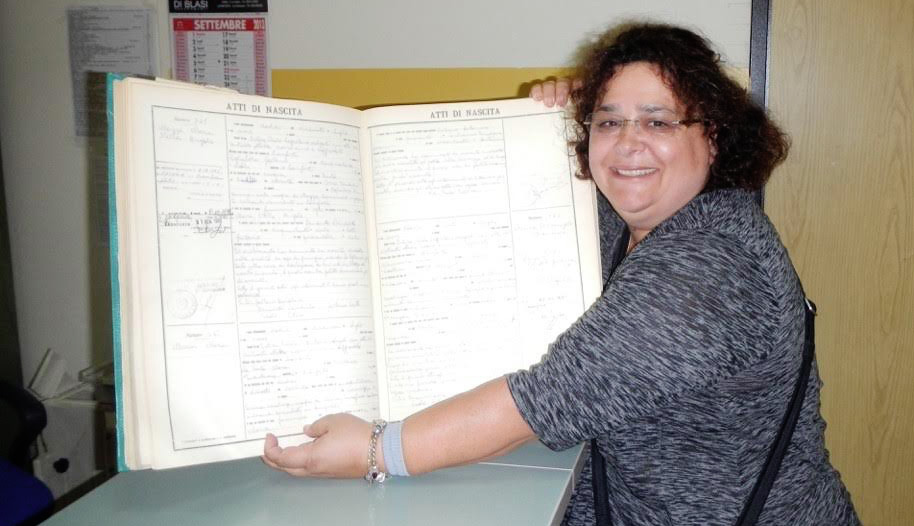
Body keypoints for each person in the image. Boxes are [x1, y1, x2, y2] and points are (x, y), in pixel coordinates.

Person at [263, 23, 859, 525]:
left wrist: (375, 450)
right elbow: (557, 217)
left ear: (714, 136)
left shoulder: (707, 263)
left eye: (657, 122)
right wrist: (546, 117)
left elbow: (544, 402)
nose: (628, 145)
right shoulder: (642, 219)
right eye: (608, 122)